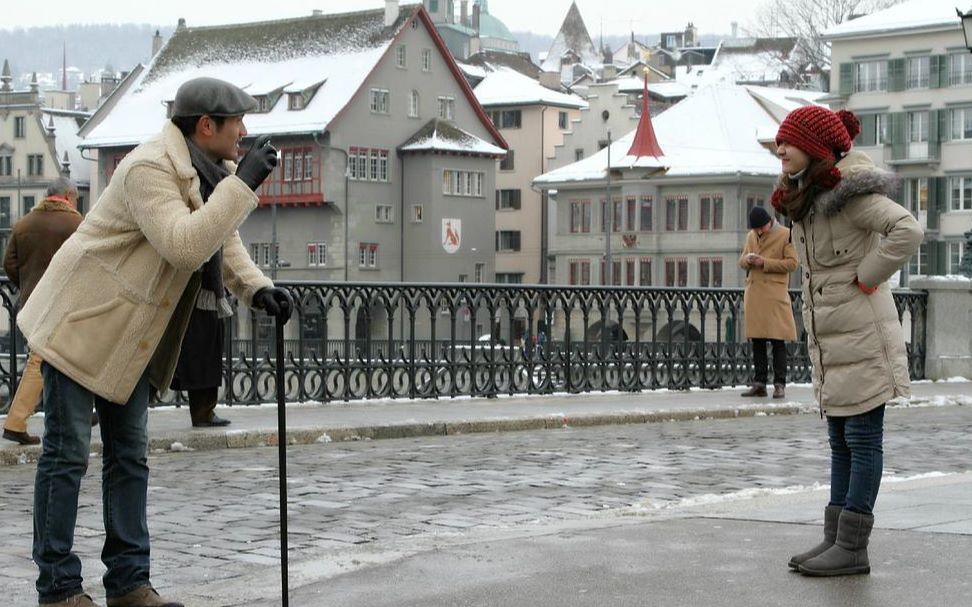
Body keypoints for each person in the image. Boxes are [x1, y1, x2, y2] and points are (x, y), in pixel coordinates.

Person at [17, 77, 294, 607]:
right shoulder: (148, 167)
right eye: (237, 121)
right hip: (83, 321)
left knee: (130, 458)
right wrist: (245, 187)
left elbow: (222, 242)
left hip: (133, 335)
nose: (245, 132)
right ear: (205, 126)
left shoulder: (214, 172)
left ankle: (128, 584)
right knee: (67, 455)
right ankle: (58, 589)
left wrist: (258, 289)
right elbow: (185, 245)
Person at [771, 106, 922, 577]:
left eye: (787, 143)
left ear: (814, 149)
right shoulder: (807, 198)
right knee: (839, 438)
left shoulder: (848, 196)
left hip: (863, 334)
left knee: (861, 436)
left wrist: (867, 275)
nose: (780, 151)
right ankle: (836, 538)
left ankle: (854, 546)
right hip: (834, 339)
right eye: (778, 144)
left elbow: (907, 229)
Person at [2, 177, 84, 445]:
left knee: (63, 359)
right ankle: (15, 422)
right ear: (69, 196)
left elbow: (9, 263)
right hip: (64, 303)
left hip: (31, 303)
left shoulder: (23, 224)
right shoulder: (75, 223)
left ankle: (79, 411)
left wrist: (26, 286)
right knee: (44, 360)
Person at [738, 205, 798, 400]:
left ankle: (780, 384)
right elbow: (741, 261)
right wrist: (747, 260)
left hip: (774, 294)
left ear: (769, 223)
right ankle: (759, 383)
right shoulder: (751, 236)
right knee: (757, 340)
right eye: (755, 229)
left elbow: (792, 263)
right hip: (755, 294)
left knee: (778, 340)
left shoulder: (785, 234)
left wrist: (764, 262)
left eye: (761, 228)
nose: (758, 232)